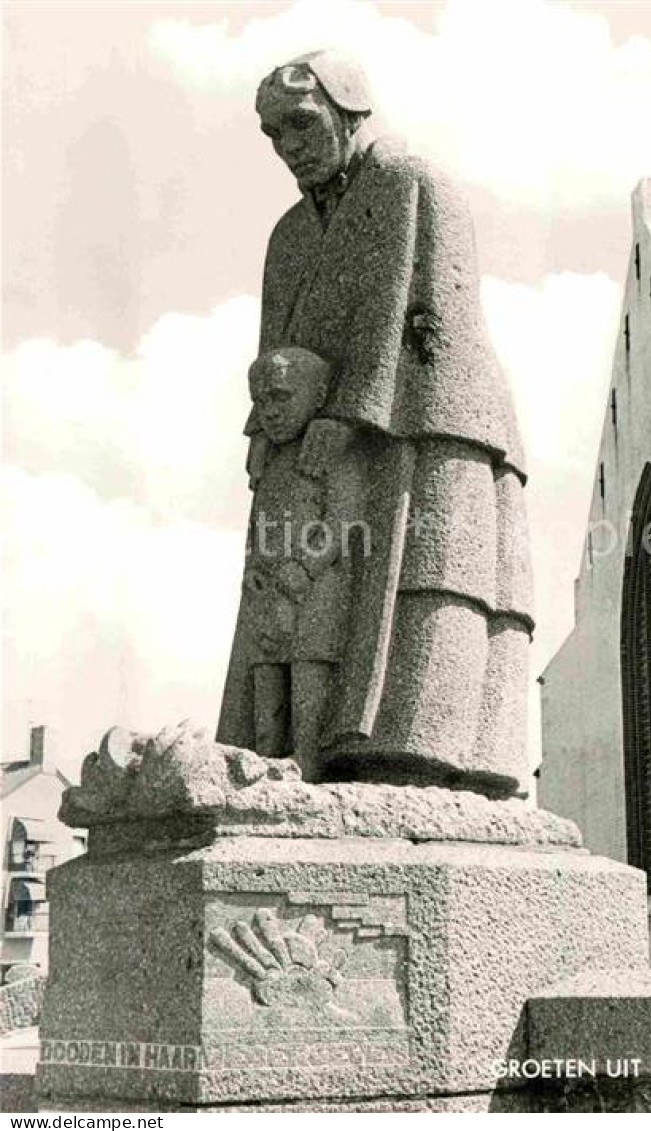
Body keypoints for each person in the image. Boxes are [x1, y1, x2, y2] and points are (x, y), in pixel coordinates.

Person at [219, 50, 534, 796]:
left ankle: (412, 753)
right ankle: (296, 746)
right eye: (271, 134)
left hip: (427, 418)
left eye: (299, 123)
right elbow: (274, 350)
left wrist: (354, 412)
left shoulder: (410, 181)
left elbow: (421, 317)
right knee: (299, 588)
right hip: (317, 441)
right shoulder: (289, 235)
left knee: (424, 577)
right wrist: (266, 433)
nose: (286, 145)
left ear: (348, 110)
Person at [217, 346, 367, 778]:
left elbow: (341, 520)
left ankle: (307, 758)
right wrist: (255, 574)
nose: (270, 412)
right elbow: (258, 525)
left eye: (281, 397)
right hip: (268, 588)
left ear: (318, 394)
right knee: (266, 673)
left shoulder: (333, 453)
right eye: (261, 401)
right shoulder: (270, 459)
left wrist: (299, 573)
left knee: (308, 667)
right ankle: (265, 760)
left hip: (316, 586)